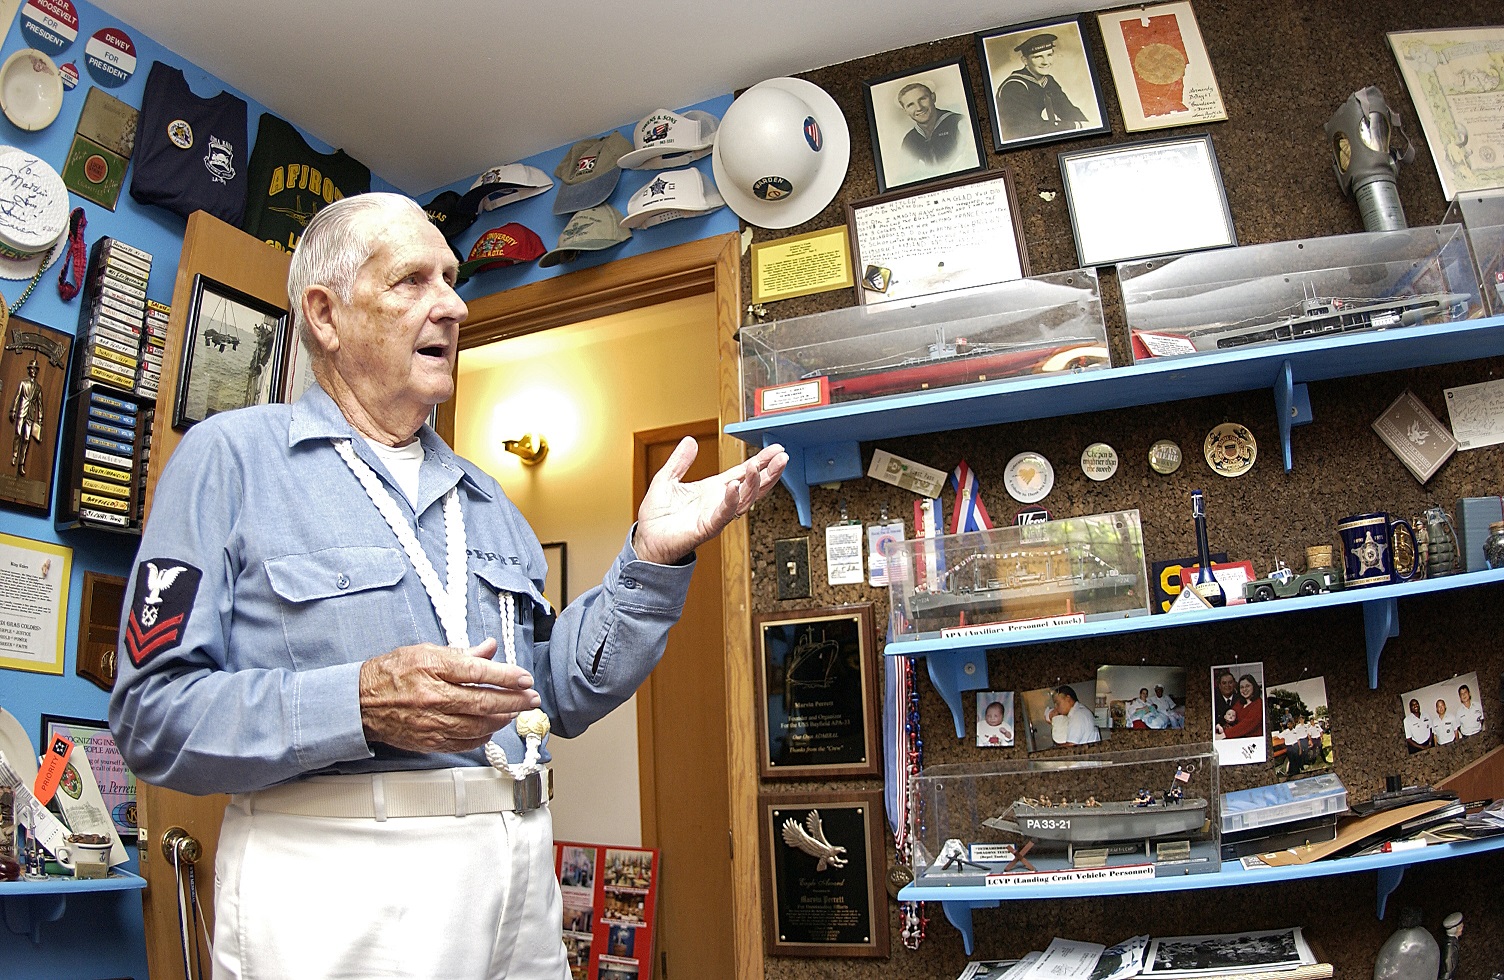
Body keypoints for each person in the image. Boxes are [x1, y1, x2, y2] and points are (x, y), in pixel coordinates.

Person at [108, 192, 788, 979]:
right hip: (334, 890)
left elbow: (553, 695)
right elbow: (150, 717)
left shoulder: (484, 497)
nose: (455, 305)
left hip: (513, 877)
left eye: (453, 279)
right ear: (325, 316)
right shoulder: (229, 460)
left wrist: (650, 557)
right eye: (413, 281)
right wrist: (361, 702)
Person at [995, 33, 1087, 140]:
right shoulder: (1014, 86)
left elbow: (1067, 110)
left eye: (1049, 55)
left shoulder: (1048, 81)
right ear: (1025, 60)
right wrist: (1076, 126)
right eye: (1038, 57)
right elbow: (1033, 129)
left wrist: (1087, 125)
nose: (1046, 62)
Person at [896, 81, 965, 165]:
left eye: (922, 99)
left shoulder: (960, 123)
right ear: (905, 111)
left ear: (933, 97)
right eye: (910, 105)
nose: (919, 108)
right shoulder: (909, 140)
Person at [9, 357, 43, 475]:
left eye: (35, 369)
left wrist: (40, 419)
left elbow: (40, 404)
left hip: (30, 415)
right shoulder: (23, 383)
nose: (33, 371)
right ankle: (14, 455)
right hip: (21, 412)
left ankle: (21, 464)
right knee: (18, 433)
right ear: (29, 370)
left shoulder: (38, 387)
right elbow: (17, 397)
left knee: (27, 439)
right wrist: (13, 410)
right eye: (32, 369)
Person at [1221, 674, 1264, 740]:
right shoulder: (1239, 703)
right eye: (1241, 687)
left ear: (1254, 686)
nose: (1244, 689)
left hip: (1253, 742)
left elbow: (1246, 725)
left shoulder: (1259, 703)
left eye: (1247, 686)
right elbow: (1229, 717)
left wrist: (1224, 735)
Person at [1213, 670, 1238, 737]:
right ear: (1219, 686)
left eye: (1230, 682)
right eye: (1224, 683)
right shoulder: (1214, 701)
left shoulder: (1240, 699)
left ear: (1234, 684)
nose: (1227, 685)